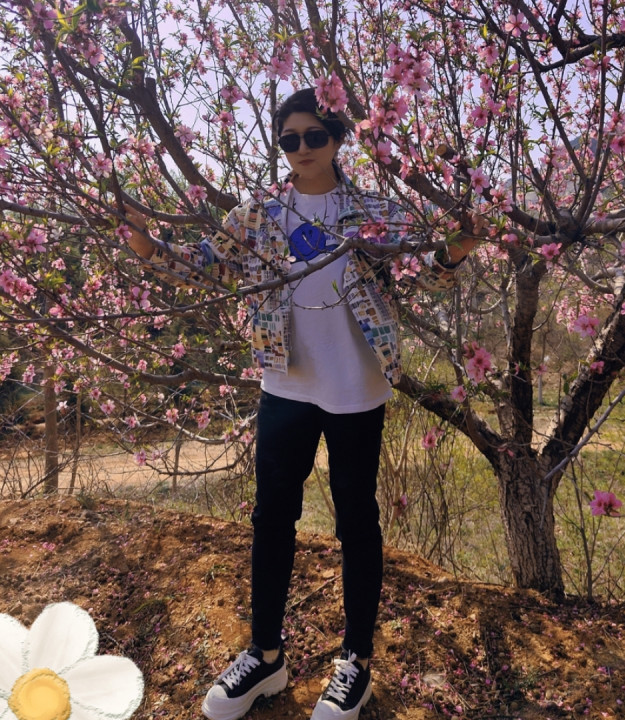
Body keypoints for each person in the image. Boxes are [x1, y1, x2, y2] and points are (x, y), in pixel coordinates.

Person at [124, 87, 478, 720]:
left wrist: (454, 251)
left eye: (315, 135)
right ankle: (265, 655)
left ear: (338, 138)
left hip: (356, 388)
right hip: (285, 384)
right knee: (271, 518)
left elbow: (422, 272)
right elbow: (206, 267)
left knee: (356, 521)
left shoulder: (374, 212)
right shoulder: (259, 215)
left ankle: (356, 662)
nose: (302, 148)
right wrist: (148, 247)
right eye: (290, 139)